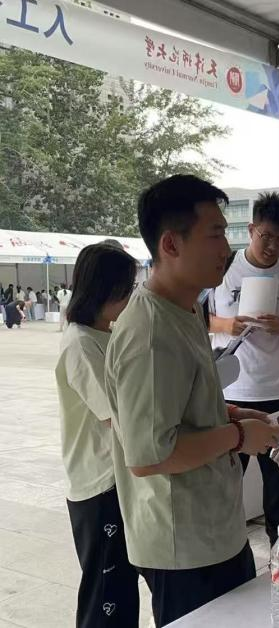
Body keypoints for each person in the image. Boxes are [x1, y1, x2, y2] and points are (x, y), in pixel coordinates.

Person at [105, 175, 279, 627]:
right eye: (215, 234)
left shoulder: (188, 308)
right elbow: (149, 455)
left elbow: (180, 404)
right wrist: (239, 435)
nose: (226, 248)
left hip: (214, 529)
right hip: (183, 546)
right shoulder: (149, 332)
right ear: (171, 244)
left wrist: (232, 413)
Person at [209, 192, 279, 547]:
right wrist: (225, 325)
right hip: (231, 394)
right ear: (251, 229)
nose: (273, 246)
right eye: (266, 236)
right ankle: (223, 550)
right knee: (224, 481)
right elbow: (194, 317)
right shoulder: (222, 268)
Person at [55, 243, 140, 627]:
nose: (131, 297)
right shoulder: (80, 343)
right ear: (105, 289)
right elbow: (117, 417)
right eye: (127, 288)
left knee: (121, 586)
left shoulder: (108, 333)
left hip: (117, 478)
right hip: (99, 484)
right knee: (106, 593)